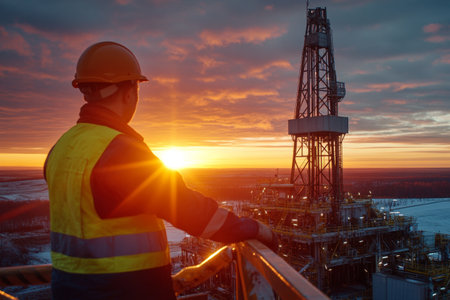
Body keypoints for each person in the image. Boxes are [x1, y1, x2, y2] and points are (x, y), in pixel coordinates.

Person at [44, 41, 278, 300]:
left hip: (69, 290)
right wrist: (253, 229)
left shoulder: (60, 148)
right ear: (129, 91)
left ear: (86, 91)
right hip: (124, 291)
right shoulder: (120, 151)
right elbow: (188, 208)